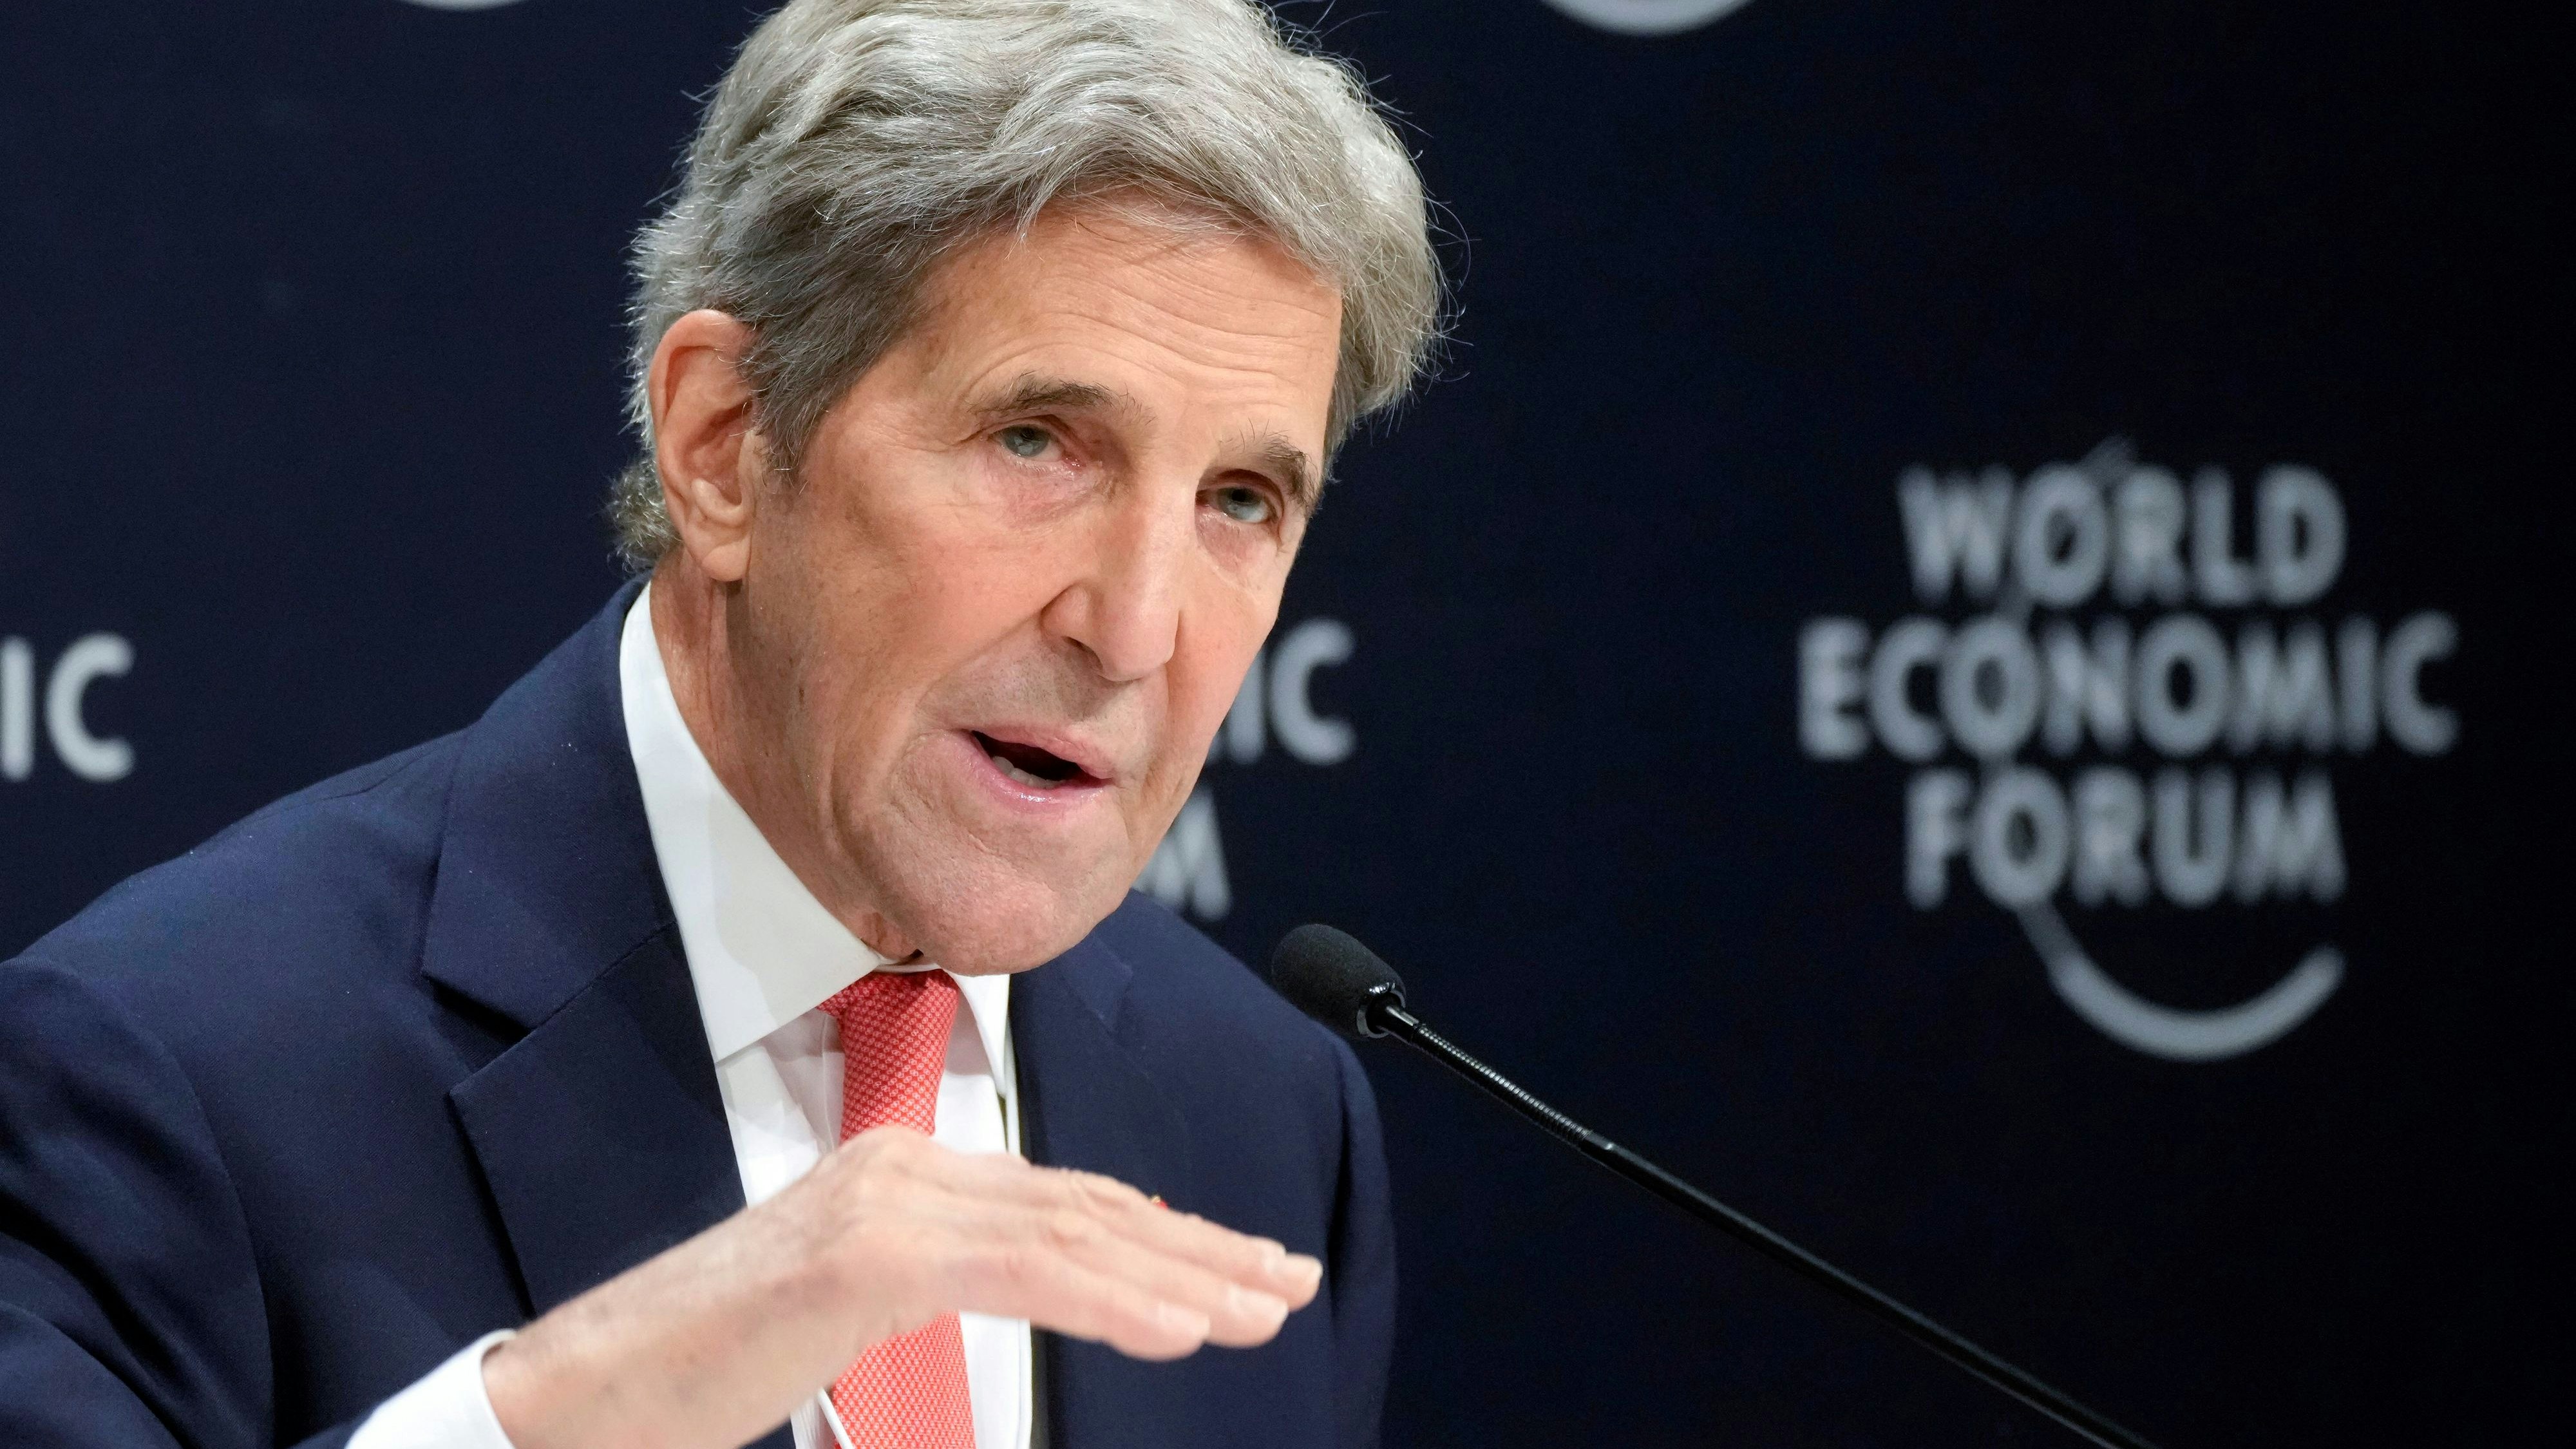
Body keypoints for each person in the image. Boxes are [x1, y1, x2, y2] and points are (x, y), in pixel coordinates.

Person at [0, 1, 1442, 1446]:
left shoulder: (1264, 1115)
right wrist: (556, 1419)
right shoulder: (168, 1070)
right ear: (725, 450)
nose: (1134, 631)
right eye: (1035, 443)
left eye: (1240, 503)